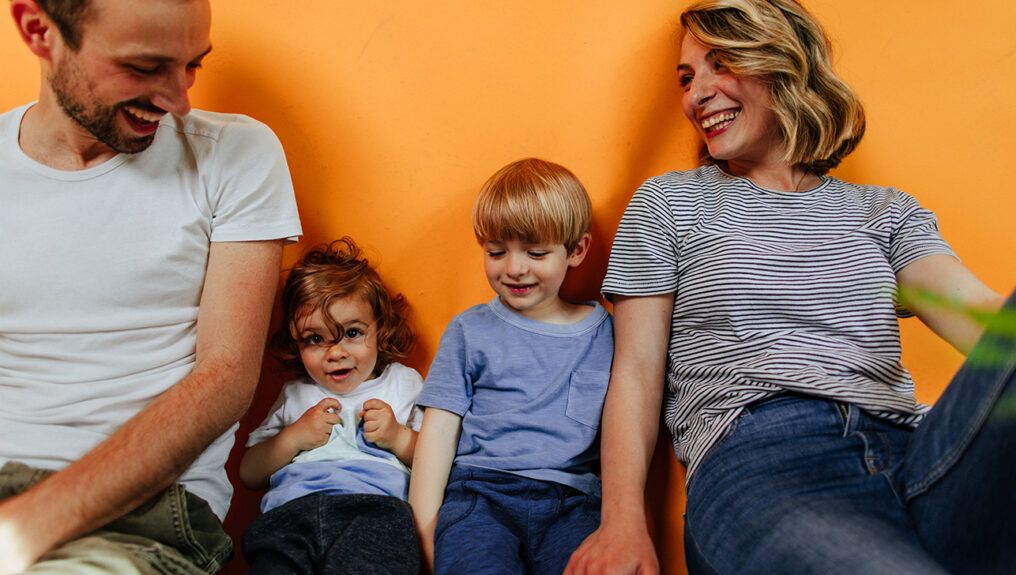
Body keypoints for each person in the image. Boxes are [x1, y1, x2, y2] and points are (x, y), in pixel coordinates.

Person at [566, 0, 1016, 573]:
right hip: (762, 459)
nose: (695, 94)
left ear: (782, 63)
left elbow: (984, 320)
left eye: (720, 64)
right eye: (686, 78)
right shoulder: (671, 203)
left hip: (921, 448)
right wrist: (623, 522)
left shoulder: (882, 213)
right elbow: (635, 373)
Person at [0, 0, 301, 572]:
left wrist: (24, 529)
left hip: (144, 519)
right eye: (143, 68)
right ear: (40, 32)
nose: (178, 100)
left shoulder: (234, 155)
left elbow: (227, 377)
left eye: (193, 66)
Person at [409, 158, 612, 573]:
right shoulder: (469, 330)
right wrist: (426, 535)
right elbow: (438, 435)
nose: (514, 269)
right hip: (481, 496)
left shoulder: (607, 331)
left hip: (573, 503)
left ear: (577, 250)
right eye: (496, 252)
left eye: (536, 253)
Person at [239, 237, 422, 574]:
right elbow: (249, 473)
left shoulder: (402, 382)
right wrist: (292, 438)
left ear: (381, 330)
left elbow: (438, 460)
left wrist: (398, 438)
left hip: (375, 513)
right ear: (296, 344)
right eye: (315, 339)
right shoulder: (295, 394)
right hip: (290, 513)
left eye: (352, 333)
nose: (335, 352)